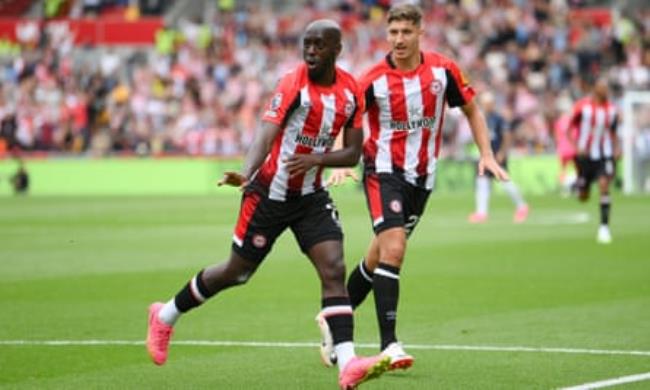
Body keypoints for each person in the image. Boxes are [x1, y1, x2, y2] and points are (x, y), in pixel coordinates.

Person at [146, 20, 390, 389]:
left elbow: (354, 152)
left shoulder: (351, 91)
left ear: (336, 50)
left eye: (318, 45)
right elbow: (265, 133)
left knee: (334, 268)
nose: (310, 51)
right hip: (268, 196)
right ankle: (165, 315)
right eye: (306, 44)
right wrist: (246, 173)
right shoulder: (293, 84)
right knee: (236, 272)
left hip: (310, 197)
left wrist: (316, 161)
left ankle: (349, 363)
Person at [320, 3, 508, 372]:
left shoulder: (443, 70)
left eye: (406, 32)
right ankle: (389, 344)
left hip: (422, 179)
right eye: (393, 33)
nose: (399, 40)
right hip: (383, 172)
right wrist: (342, 158)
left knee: (378, 257)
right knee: (395, 248)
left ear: (421, 32)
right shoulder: (372, 78)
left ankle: (333, 319)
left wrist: (486, 153)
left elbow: (471, 109)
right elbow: (348, 117)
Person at [568, 78, 620, 244]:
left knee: (604, 185)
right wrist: (576, 147)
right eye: (602, 88)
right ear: (595, 89)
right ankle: (578, 184)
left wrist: (617, 148)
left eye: (607, 88)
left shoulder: (612, 110)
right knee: (584, 196)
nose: (606, 91)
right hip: (584, 156)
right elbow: (569, 129)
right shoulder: (583, 107)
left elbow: (613, 132)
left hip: (604, 154)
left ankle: (604, 227)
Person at [467, 92, 528, 223]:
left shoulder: (499, 119)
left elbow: (507, 137)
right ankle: (481, 212)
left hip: (497, 156)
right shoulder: (482, 118)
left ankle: (522, 206)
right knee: (482, 181)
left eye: (487, 104)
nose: (485, 106)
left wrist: (502, 152)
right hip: (486, 156)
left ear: (492, 104)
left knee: (504, 181)